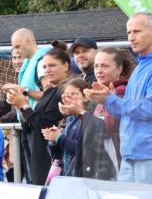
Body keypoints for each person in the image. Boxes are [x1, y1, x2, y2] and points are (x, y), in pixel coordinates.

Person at [85, 12, 152, 184]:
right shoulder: (140, 68)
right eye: (129, 32)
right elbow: (127, 111)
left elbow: (148, 108)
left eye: (137, 31)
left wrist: (110, 100)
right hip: (129, 154)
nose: (131, 37)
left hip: (147, 155)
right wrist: (105, 98)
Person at [4, 43, 71, 185]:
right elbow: (30, 125)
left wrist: (24, 105)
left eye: (52, 65)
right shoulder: (49, 92)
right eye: (45, 67)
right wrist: (19, 106)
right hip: (38, 156)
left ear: (65, 66)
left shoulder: (66, 91)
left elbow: (43, 124)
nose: (47, 70)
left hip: (53, 161)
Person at [43, 78, 117, 181]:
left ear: (85, 98)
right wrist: (52, 141)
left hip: (83, 177)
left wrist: (60, 138)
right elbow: (58, 154)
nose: (68, 97)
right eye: (66, 94)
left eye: (73, 94)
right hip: (67, 175)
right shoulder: (67, 120)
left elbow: (84, 149)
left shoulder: (89, 120)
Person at [89, 48, 133, 165]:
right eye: (96, 66)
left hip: (119, 161)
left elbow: (108, 129)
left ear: (119, 69)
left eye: (105, 66)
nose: (99, 71)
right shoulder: (105, 92)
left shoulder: (121, 92)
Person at [10, 28, 52, 106]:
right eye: (14, 47)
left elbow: (49, 96)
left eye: (18, 46)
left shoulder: (42, 62)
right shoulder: (28, 64)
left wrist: (23, 90)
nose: (16, 51)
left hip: (40, 116)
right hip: (30, 115)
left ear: (28, 41)